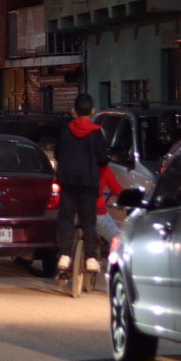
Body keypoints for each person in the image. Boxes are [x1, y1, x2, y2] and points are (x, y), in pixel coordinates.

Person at [54, 92, 109, 277]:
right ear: (92, 111)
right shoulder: (96, 132)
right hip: (88, 183)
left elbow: (57, 154)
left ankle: (64, 255)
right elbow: (103, 159)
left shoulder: (65, 130)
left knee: (66, 219)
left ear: (73, 111)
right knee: (88, 220)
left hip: (68, 182)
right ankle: (91, 258)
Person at [95, 163, 124, 245]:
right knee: (119, 242)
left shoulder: (73, 166)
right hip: (96, 212)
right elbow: (118, 191)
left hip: (72, 212)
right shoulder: (102, 169)